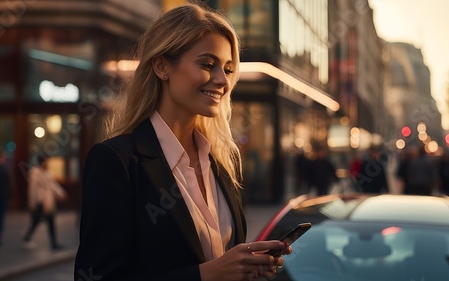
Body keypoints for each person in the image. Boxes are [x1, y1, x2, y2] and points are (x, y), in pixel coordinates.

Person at [74, 3, 291, 281]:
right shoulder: (117, 160)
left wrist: (246, 266)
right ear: (163, 66)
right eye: (207, 65)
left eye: (227, 68)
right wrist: (205, 275)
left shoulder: (222, 163)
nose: (222, 80)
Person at [22, 154, 67, 250]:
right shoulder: (35, 173)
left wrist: (61, 193)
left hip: (47, 202)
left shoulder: (47, 173)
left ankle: (53, 243)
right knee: (36, 221)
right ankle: (27, 238)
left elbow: (53, 186)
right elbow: (32, 189)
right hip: (40, 202)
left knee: (48, 222)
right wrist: (32, 202)